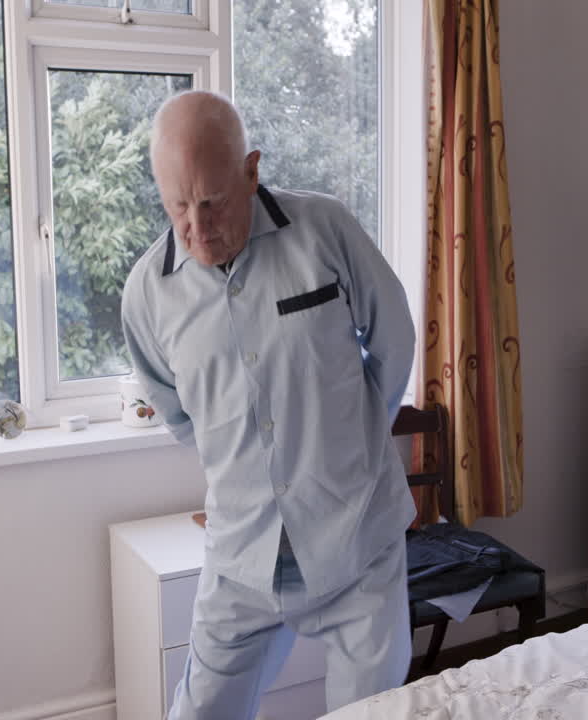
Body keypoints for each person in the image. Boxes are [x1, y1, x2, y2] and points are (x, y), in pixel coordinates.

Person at [120, 90, 416, 720]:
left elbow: (392, 340)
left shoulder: (326, 229)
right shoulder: (147, 294)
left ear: (252, 171)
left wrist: (352, 446)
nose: (198, 229)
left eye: (214, 202)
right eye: (178, 206)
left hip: (357, 538)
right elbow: (179, 415)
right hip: (241, 557)